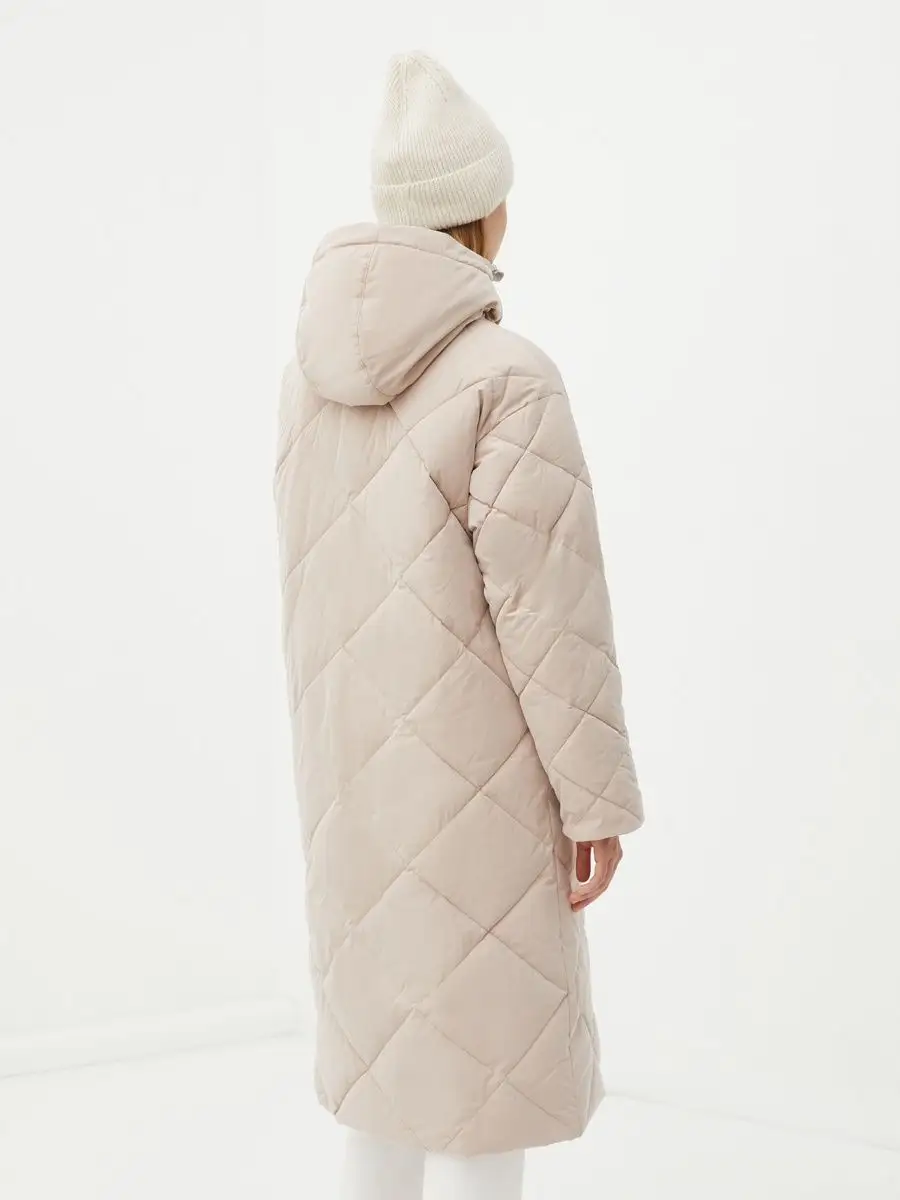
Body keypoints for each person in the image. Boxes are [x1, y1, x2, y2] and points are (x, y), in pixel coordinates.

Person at [275, 52, 644, 1200]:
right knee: (485, 1089)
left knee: (385, 1078)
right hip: (480, 789)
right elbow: (554, 614)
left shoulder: (308, 377)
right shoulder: (507, 379)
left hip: (348, 790)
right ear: (487, 211)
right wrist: (596, 802)